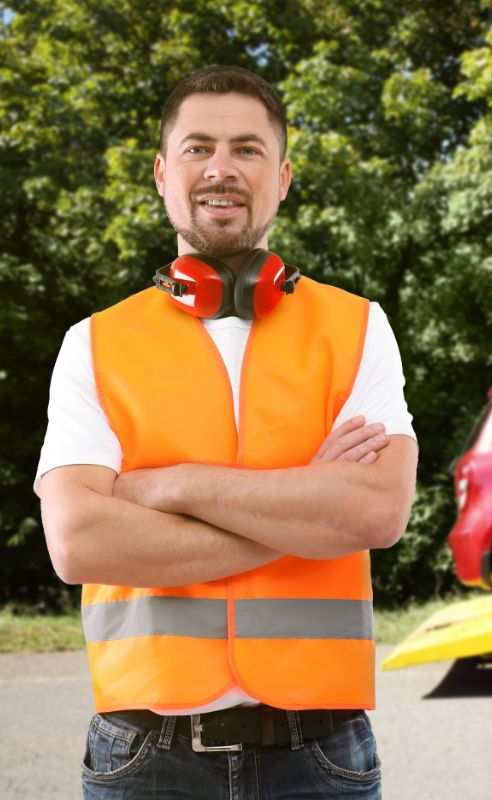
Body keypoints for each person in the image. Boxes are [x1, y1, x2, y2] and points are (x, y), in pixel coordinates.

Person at [35, 64, 418, 799]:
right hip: (144, 756)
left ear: (283, 177)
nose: (221, 168)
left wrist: (170, 487)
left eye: (247, 149)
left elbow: (376, 512)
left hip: (320, 754)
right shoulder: (93, 342)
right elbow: (79, 542)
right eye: (198, 147)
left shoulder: (358, 327)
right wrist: (306, 511)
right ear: (162, 173)